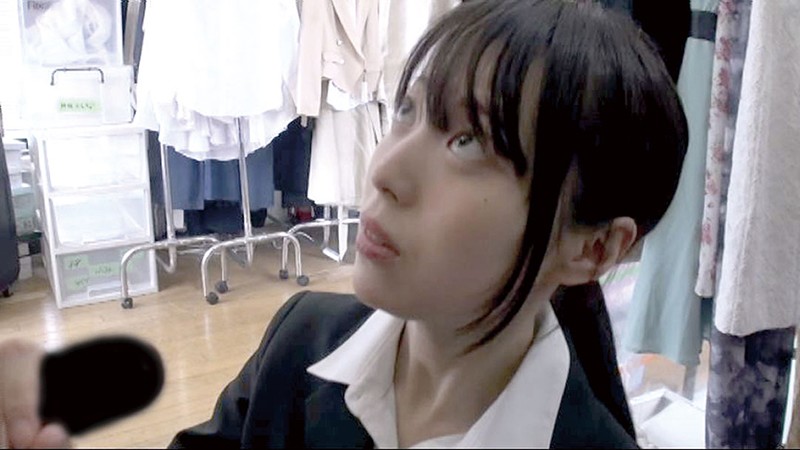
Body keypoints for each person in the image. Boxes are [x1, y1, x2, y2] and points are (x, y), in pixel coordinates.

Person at [0, 0, 688, 447]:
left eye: (467, 142)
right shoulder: (303, 339)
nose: (384, 171)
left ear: (595, 248)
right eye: (407, 111)